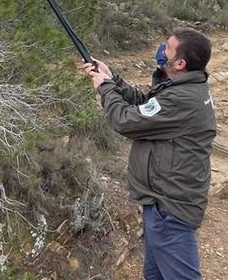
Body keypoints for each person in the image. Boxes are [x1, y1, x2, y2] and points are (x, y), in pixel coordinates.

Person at [82, 28, 216, 280]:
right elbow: (147, 104)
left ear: (180, 63)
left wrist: (105, 89)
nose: (161, 50)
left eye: (167, 48)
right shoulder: (187, 85)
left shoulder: (182, 98)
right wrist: (114, 79)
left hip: (170, 208)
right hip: (162, 201)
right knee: (154, 275)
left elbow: (125, 121)